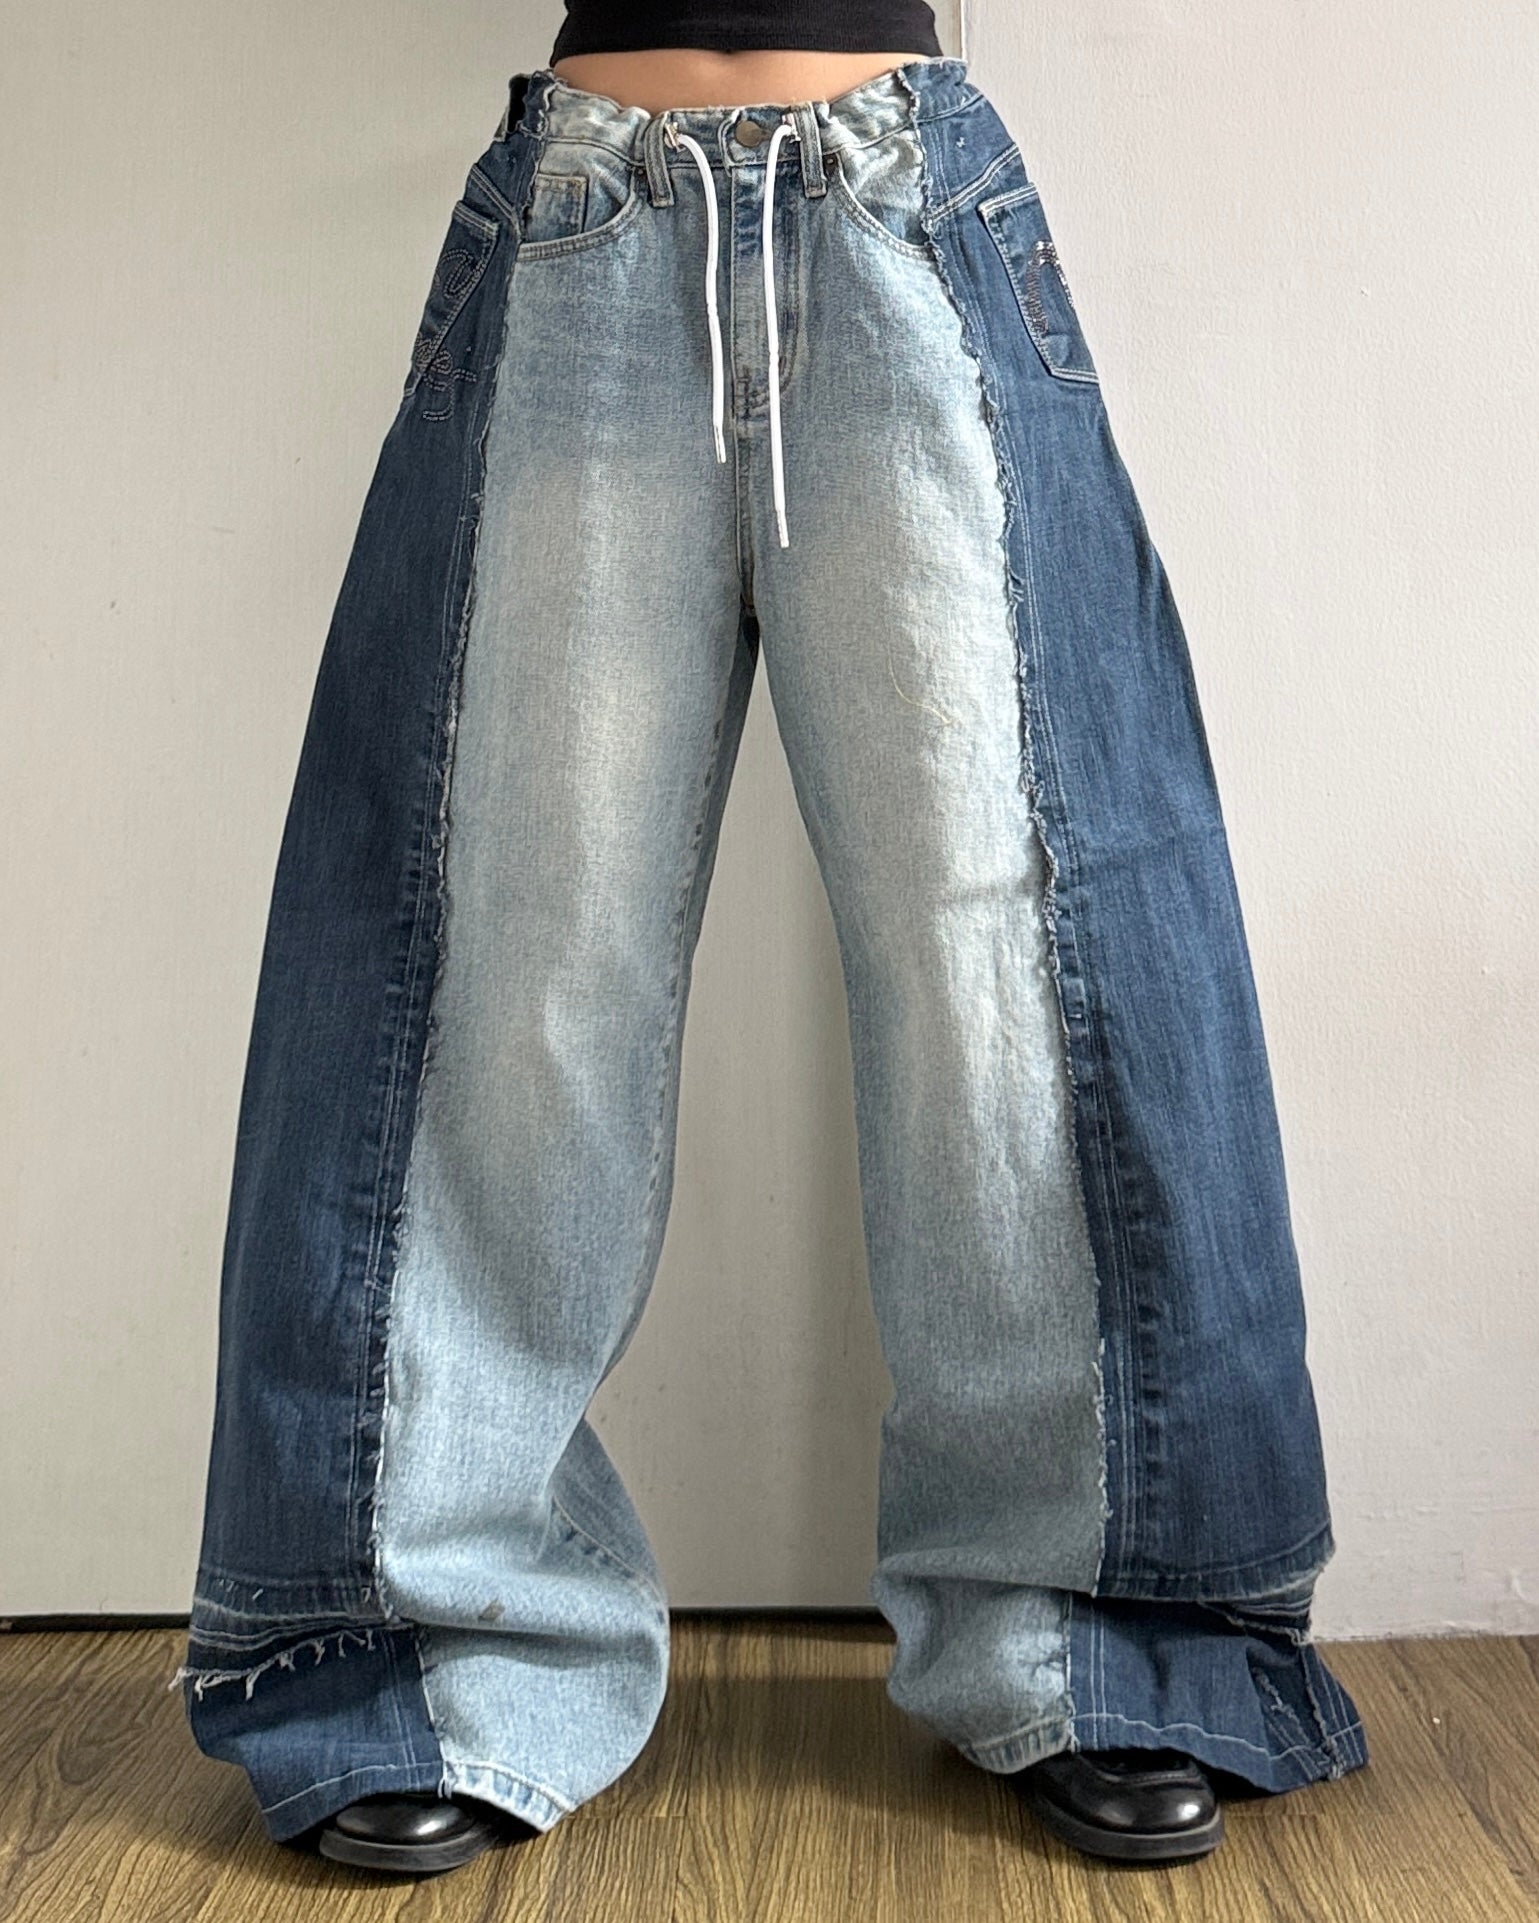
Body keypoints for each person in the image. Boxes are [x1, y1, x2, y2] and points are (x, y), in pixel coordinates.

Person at [168, 0, 1370, 1881]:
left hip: (901, 206)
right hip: (584, 220)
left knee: (1015, 955)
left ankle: (1101, 1636)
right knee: (504, 959)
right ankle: (421, 1653)